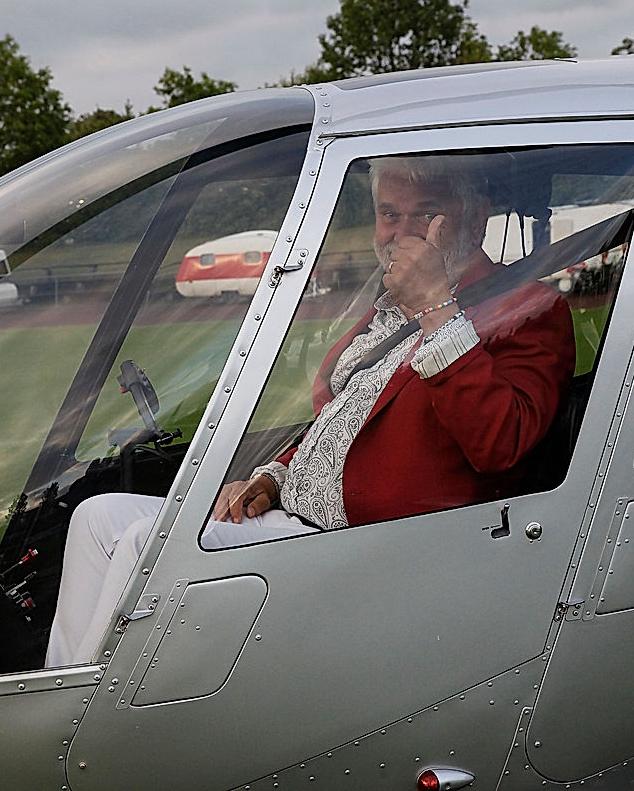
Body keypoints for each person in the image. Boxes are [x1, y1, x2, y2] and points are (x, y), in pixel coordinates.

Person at [45, 155, 576, 667]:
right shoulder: (386, 307)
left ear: (476, 219)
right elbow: (343, 420)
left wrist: (437, 304)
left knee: (145, 545)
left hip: (374, 547)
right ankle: (63, 684)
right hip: (295, 516)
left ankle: (77, 723)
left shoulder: (526, 309)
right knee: (97, 516)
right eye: (390, 213)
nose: (402, 232)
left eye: (427, 212)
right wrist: (274, 474)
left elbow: (501, 445)